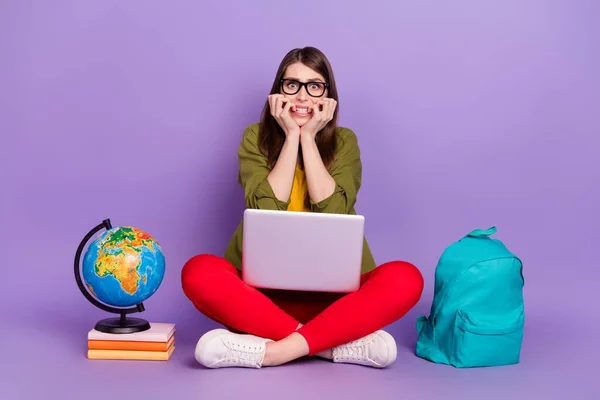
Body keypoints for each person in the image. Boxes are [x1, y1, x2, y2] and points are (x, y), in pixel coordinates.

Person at [181, 46, 424, 369]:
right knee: (198, 271)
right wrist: (290, 137)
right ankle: (327, 345)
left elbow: (334, 212)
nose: (302, 96)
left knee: (406, 278)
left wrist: (309, 138)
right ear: (278, 91)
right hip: (263, 300)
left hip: (337, 302)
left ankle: (274, 351)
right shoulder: (255, 138)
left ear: (328, 96)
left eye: (315, 85)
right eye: (291, 84)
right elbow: (266, 206)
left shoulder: (345, 141)